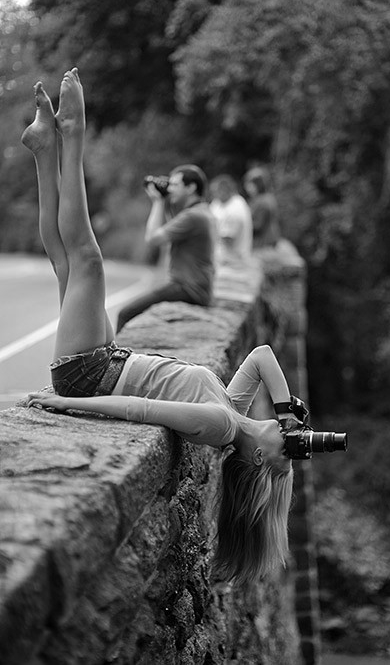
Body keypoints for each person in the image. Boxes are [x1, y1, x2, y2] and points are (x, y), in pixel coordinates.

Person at [22, 68, 302, 585]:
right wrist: (287, 410)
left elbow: (140, 409)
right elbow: (261, 354)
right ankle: (43, 149)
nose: (287, 439)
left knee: (88, 261)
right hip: (106, 358)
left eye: (283, 452)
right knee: (66, 262)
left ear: (258, 463)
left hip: (89, 374)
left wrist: (67, 404)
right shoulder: (233, 410)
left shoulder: (219, 428)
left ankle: (72, 135)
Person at [116, 163, 215, 332]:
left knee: (126, 313)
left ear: (191, 187)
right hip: (197, 287)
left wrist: (157, 201)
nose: (170, 189)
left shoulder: (193, 216)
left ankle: (117, 358)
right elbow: (170, 224)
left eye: (175, 185)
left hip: (188, 288)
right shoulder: (202, 211)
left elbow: (153, 238)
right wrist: (164, 200)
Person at [209, 174, 253, 265]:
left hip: (232, 260)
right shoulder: (219, 202)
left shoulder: (235, 209)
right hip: (222, 257)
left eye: (215, 192)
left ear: (223, 191)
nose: (213, 195)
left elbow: (228, 240)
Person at [243, 167, 281, 249]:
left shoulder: (264, 201)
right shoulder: (264, 198)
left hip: (263, 244)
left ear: (258, 184)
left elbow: (258, 226)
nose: (247, 187)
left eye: (249, 183)